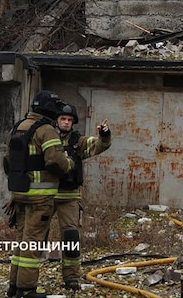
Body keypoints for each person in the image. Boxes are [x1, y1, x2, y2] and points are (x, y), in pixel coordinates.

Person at [4, 90, 74, 298]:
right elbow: (55, 161)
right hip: (40, 197)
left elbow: (8, 161)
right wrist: (68, 163)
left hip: (20, 193)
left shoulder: (17, 128)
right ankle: (27, 290)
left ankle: (14, 287)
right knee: (33, 243)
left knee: (21, 241)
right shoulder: (46, 131)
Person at [50, 104, 112, 291]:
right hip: (45, 194)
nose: (67, 122)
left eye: (70, 120)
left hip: (69, 195)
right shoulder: (46, 137)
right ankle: (28, 279)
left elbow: (99, 145)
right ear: (57, 121)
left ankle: (71, 278)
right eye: (63, 119)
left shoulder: (78, 142)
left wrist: (104, 134)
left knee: (71, 236)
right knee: (37, 235)